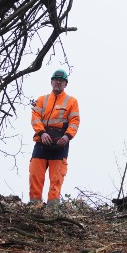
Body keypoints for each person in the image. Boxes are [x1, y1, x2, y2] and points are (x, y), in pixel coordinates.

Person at [28, 69, 80, 207]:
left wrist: (67, 136)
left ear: (65, 84)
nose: (58, 82)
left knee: (56, 179)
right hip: (41, 143)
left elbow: (75, 121)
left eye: (61, 81)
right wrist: (42, 133)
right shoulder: (41, 100)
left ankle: (52, 208)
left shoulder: (72, 101)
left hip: (60, 145)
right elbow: (35, 118)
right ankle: (34, 205)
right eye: (56, 80)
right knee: (35, 175)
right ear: (51, 82)